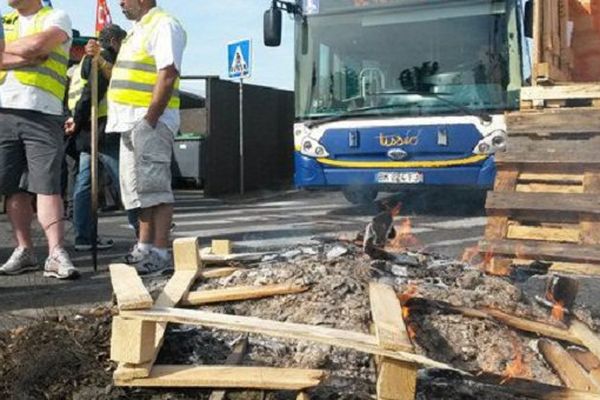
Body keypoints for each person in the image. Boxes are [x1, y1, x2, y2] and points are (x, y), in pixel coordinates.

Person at [106, 0, 186, 274]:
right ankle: (144, 247)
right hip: (129, 123)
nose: (120, 3)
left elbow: (167, 73)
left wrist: (150, 118)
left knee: (155, 188)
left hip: (149, 121)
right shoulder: (135, 31)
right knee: (138, 191)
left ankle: (161, 252)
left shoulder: (163, 24)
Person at [0, 0, 77, 279]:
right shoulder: (4, 21)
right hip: (3, 112)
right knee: (11, 187)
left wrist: (18, 52)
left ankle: (55, 252)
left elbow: (38, 47)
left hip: (42, 113)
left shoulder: (55, 16)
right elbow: (31, 51)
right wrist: (26, 57)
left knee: (47, 185)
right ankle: (25, 250)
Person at [65, 24, 129, 252]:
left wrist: (74, 119)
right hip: (101, 128)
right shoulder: (102, 58)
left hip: (85, 130)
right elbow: (92, 92)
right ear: (114, 42)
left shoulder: (83, 61)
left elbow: (75, 94)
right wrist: (79, 118)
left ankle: (84, 236)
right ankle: (144, 233)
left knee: (84, 183)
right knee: (124, 178)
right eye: (122, 44)